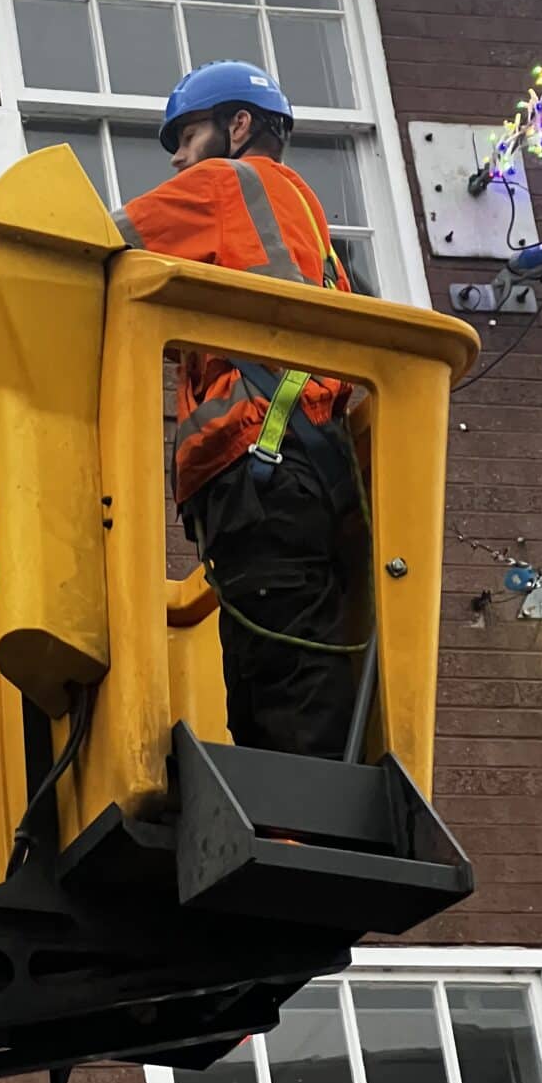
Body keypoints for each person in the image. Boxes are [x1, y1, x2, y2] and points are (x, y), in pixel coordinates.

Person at [110, 60, 365, 759]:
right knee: (272, 657)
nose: (178, 158)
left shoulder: (225, 183)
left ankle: (307, 831)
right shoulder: (309, 229)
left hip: (262, 465)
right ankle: (292, 822)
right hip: (294, 471)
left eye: (188, 135)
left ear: (239, 126)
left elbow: (97, 244)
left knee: (279, 668)